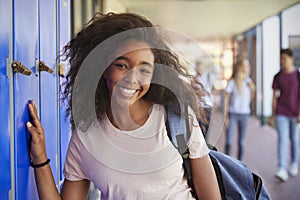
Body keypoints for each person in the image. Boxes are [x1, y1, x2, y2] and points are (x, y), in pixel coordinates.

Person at [26, 12, 221, 199]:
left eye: (144, 69)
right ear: (103, 69)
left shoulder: (177, 118)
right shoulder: (86, 138)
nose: (132, 79)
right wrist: (40, 159)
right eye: (122, 65)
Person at [268, 48, 299, 182]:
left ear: (291, 58)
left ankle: (293, 163)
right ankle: (282, 168)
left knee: (294, 139)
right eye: (281, 59)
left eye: (284, 58)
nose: (282, 61)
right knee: (282, 139)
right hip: (281, 112)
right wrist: (273, 115)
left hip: (295, 113)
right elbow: (274, 97)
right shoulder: (278, 76)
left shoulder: (298, 75)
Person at [223, 59, 255, 161]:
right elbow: (226, 99)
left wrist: (253, 89)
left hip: (244, 115)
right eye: (245, 65)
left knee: (241, 142)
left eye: (248, 65)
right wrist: (225, 117)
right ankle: (226, 162)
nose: (247, 68)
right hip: (233, 114)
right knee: (229, 142)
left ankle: (239, 164)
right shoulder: (232, 82)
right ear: (240, 67)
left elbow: (251, 97)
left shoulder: (249, 82)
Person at [192, 60, 214, 138]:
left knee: (207, 128)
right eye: (198, 68)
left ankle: (205, 145)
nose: (200, 70)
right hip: (198, 107)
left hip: (208, 106)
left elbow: (213, 89)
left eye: (201, 68)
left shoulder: (208, 77)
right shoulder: (194, 79)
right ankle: (201, 144)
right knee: (200, 127)